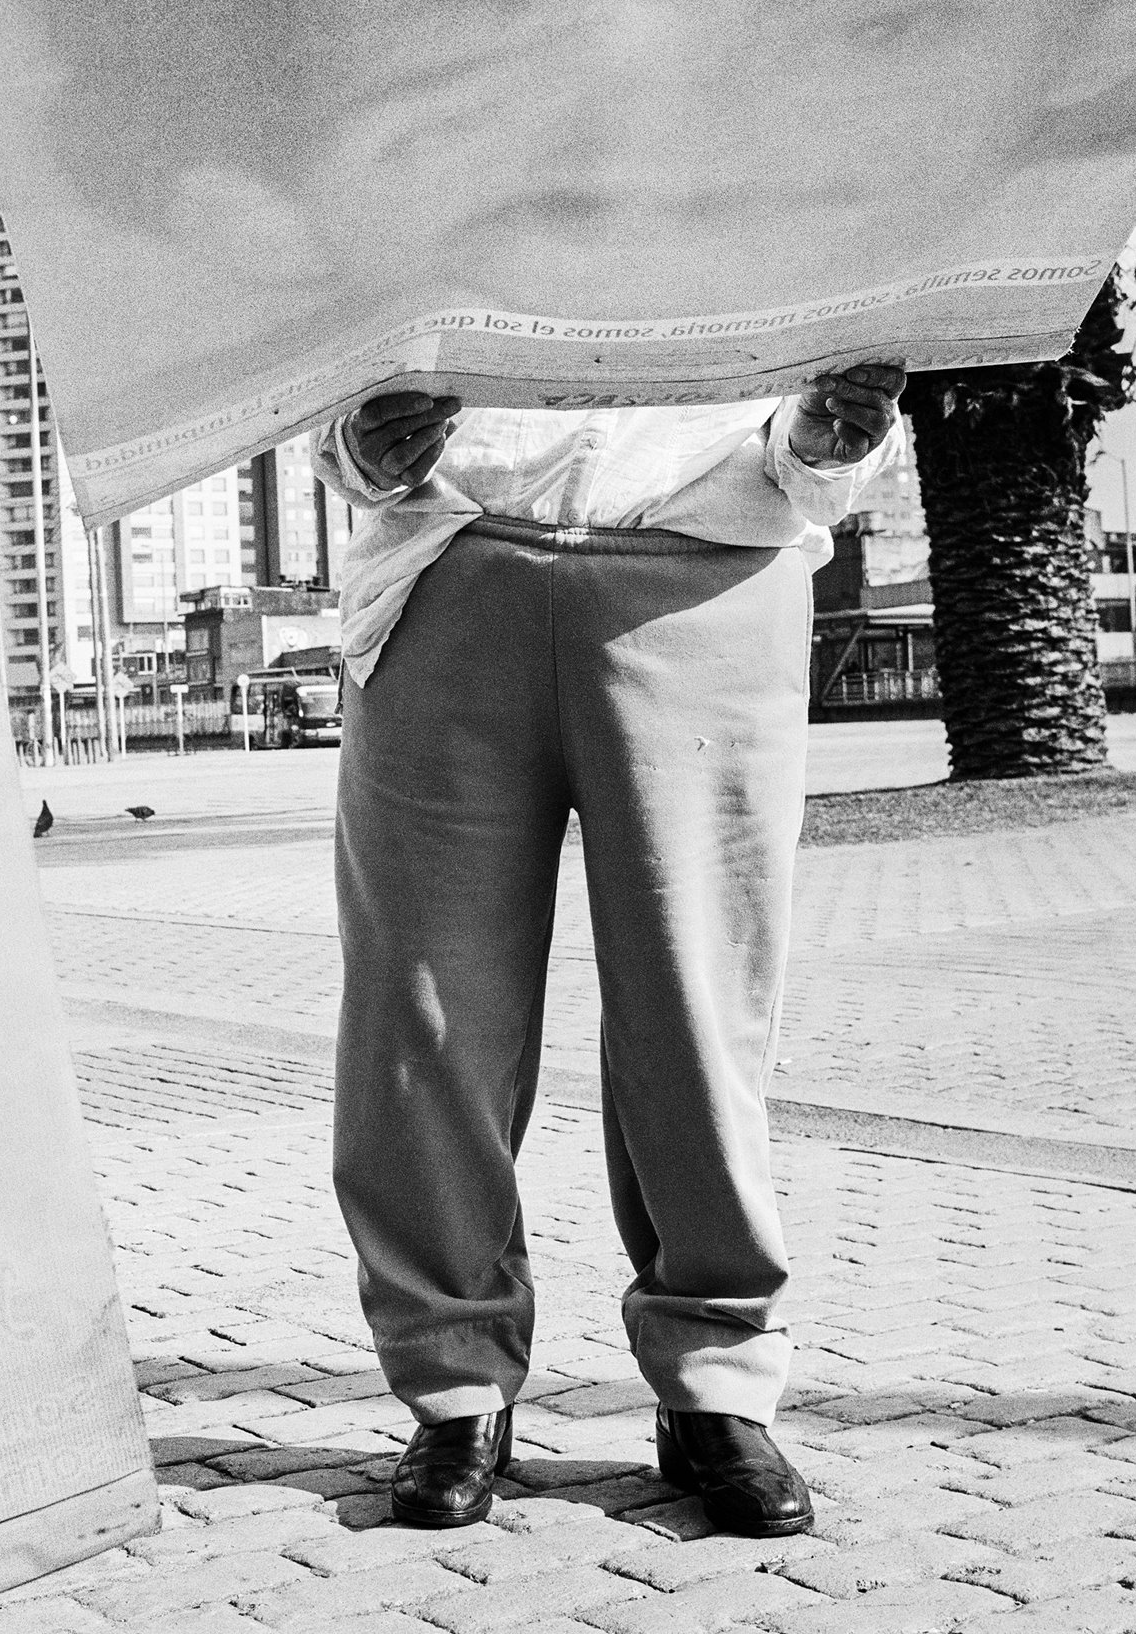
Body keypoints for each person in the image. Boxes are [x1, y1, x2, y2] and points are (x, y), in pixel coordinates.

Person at [310, 365, 906, 1536]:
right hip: (446, 571)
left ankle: (714, 1385)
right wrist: (355, 448)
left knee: (697, 1013)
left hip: (710, 578)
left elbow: (846, 367)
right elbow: (317, 356)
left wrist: (828, 447)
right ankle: (453, 1385)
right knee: (422, 1018)